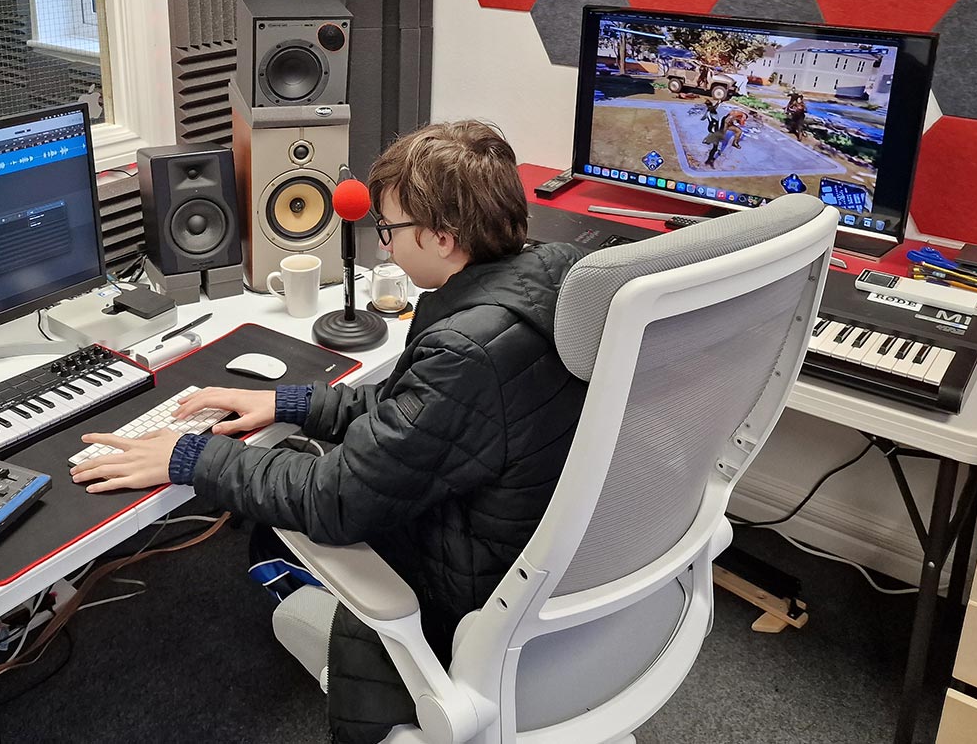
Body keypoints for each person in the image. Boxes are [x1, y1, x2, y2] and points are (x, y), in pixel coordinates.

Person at [69, 121, 588, 743]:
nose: (385, 247)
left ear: (442, 238)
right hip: (543, 565)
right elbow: (416, 413)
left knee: (272, 527)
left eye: (389, 229)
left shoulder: (465, 350)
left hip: (463, 592)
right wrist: (290, 403)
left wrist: (190, 457)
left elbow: (334, 499)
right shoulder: (554, 280)